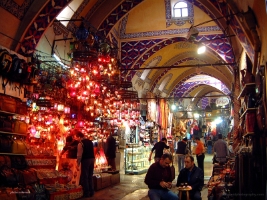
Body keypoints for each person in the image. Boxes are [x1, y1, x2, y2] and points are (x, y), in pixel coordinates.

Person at [76, 131, 95, 198]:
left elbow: (79, 155)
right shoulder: (90, 142)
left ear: (79, 137)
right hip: (92, 159)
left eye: (76, 137)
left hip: (86, 160)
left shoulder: (80, 143)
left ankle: (86, 193)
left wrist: (77, 164)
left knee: (85, 176)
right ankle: (92, 191)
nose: (76, 139)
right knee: (90, 176)